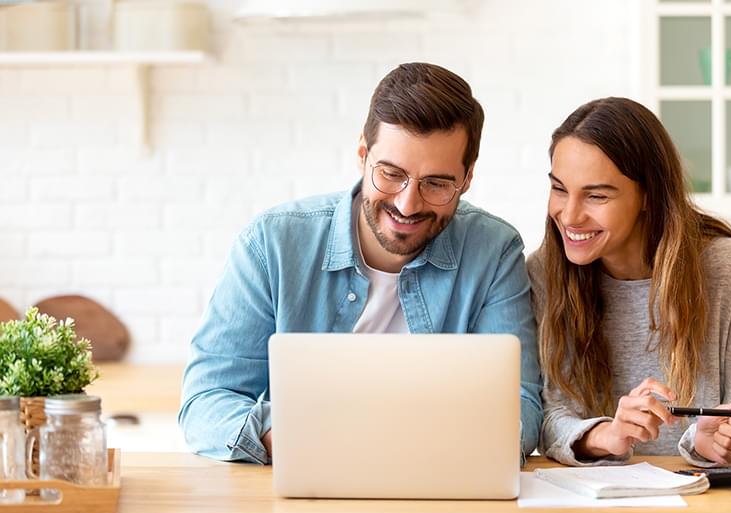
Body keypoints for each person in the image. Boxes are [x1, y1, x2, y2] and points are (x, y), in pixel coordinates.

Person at [180, 62, 543, 464]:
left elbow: (520, 404)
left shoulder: (494, 251)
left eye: (436, 183)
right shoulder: (273, 244)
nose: (408, 203)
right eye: (391, 174)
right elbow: (205, 401)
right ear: (362, 155)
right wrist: (282, 434)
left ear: (468, 177)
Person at [527, 96, 731, 467]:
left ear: (649, 195)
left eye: (596, 195)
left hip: (706, 507)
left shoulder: (730, 269)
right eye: (560, 189)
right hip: (590, 503)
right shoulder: (545, 271)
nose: (569, 215)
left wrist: (719, 440)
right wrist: (608, 435)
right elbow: (549, 417)